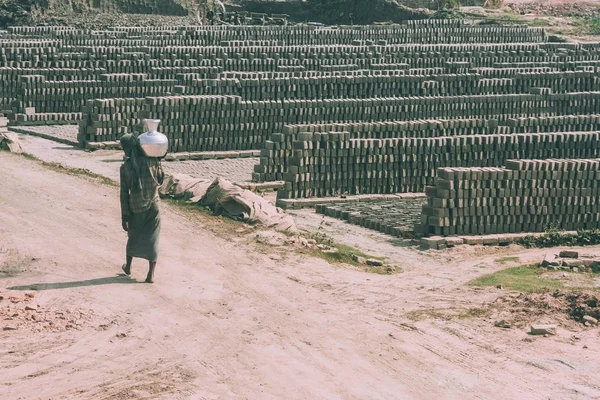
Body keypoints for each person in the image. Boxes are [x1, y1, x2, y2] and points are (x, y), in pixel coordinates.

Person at [119, 134, 165, 283]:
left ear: (125, 149)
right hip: (153, 205)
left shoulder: (125, 167)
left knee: (133, 236)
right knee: (153, 239)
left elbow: (124, 194)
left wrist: (124, 216)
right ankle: (150, 274)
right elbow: (160, 179)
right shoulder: (152, 161)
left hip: (135, 207)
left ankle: (128, 267)